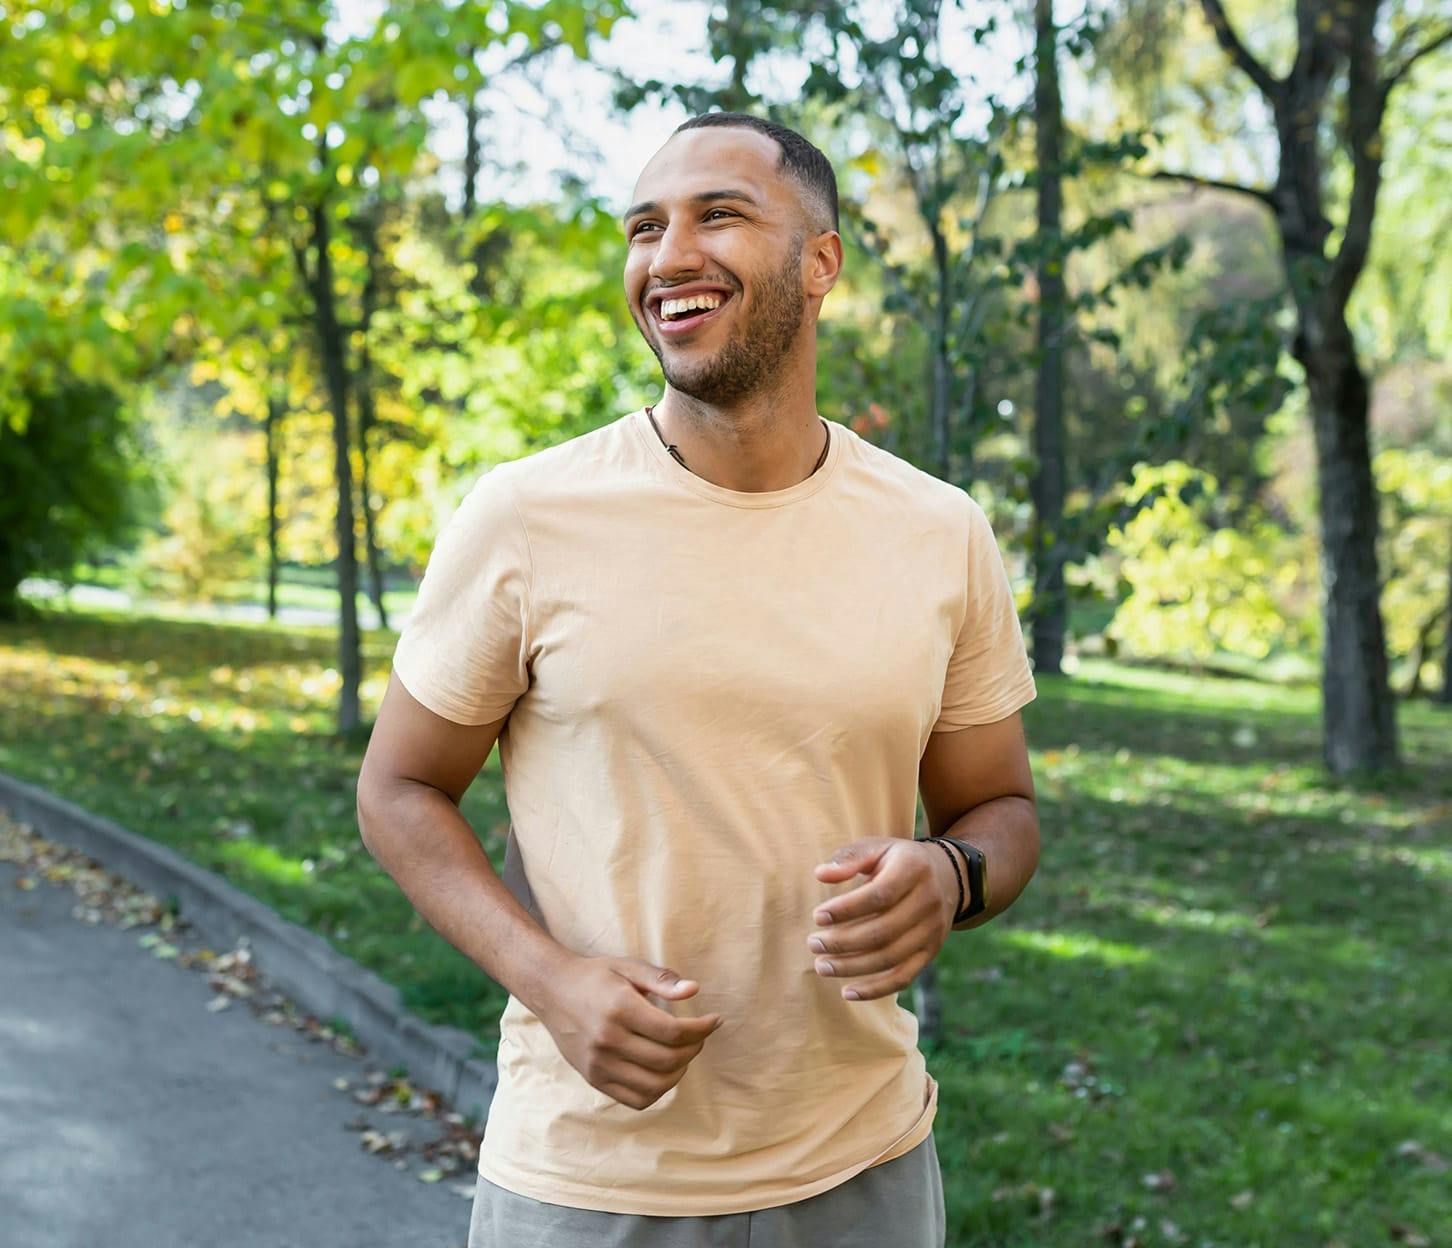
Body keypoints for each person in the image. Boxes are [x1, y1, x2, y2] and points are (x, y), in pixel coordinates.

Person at [356, 111, 1040, 1248]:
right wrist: (553, 981)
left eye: (718, 215)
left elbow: (1001, 809)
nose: (667, 256)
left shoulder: (939, 530)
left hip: (865, 1165)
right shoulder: (527, 516)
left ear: (821, 261)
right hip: (587, 1178)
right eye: (643, 228)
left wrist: (953, 874)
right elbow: (398, 791)